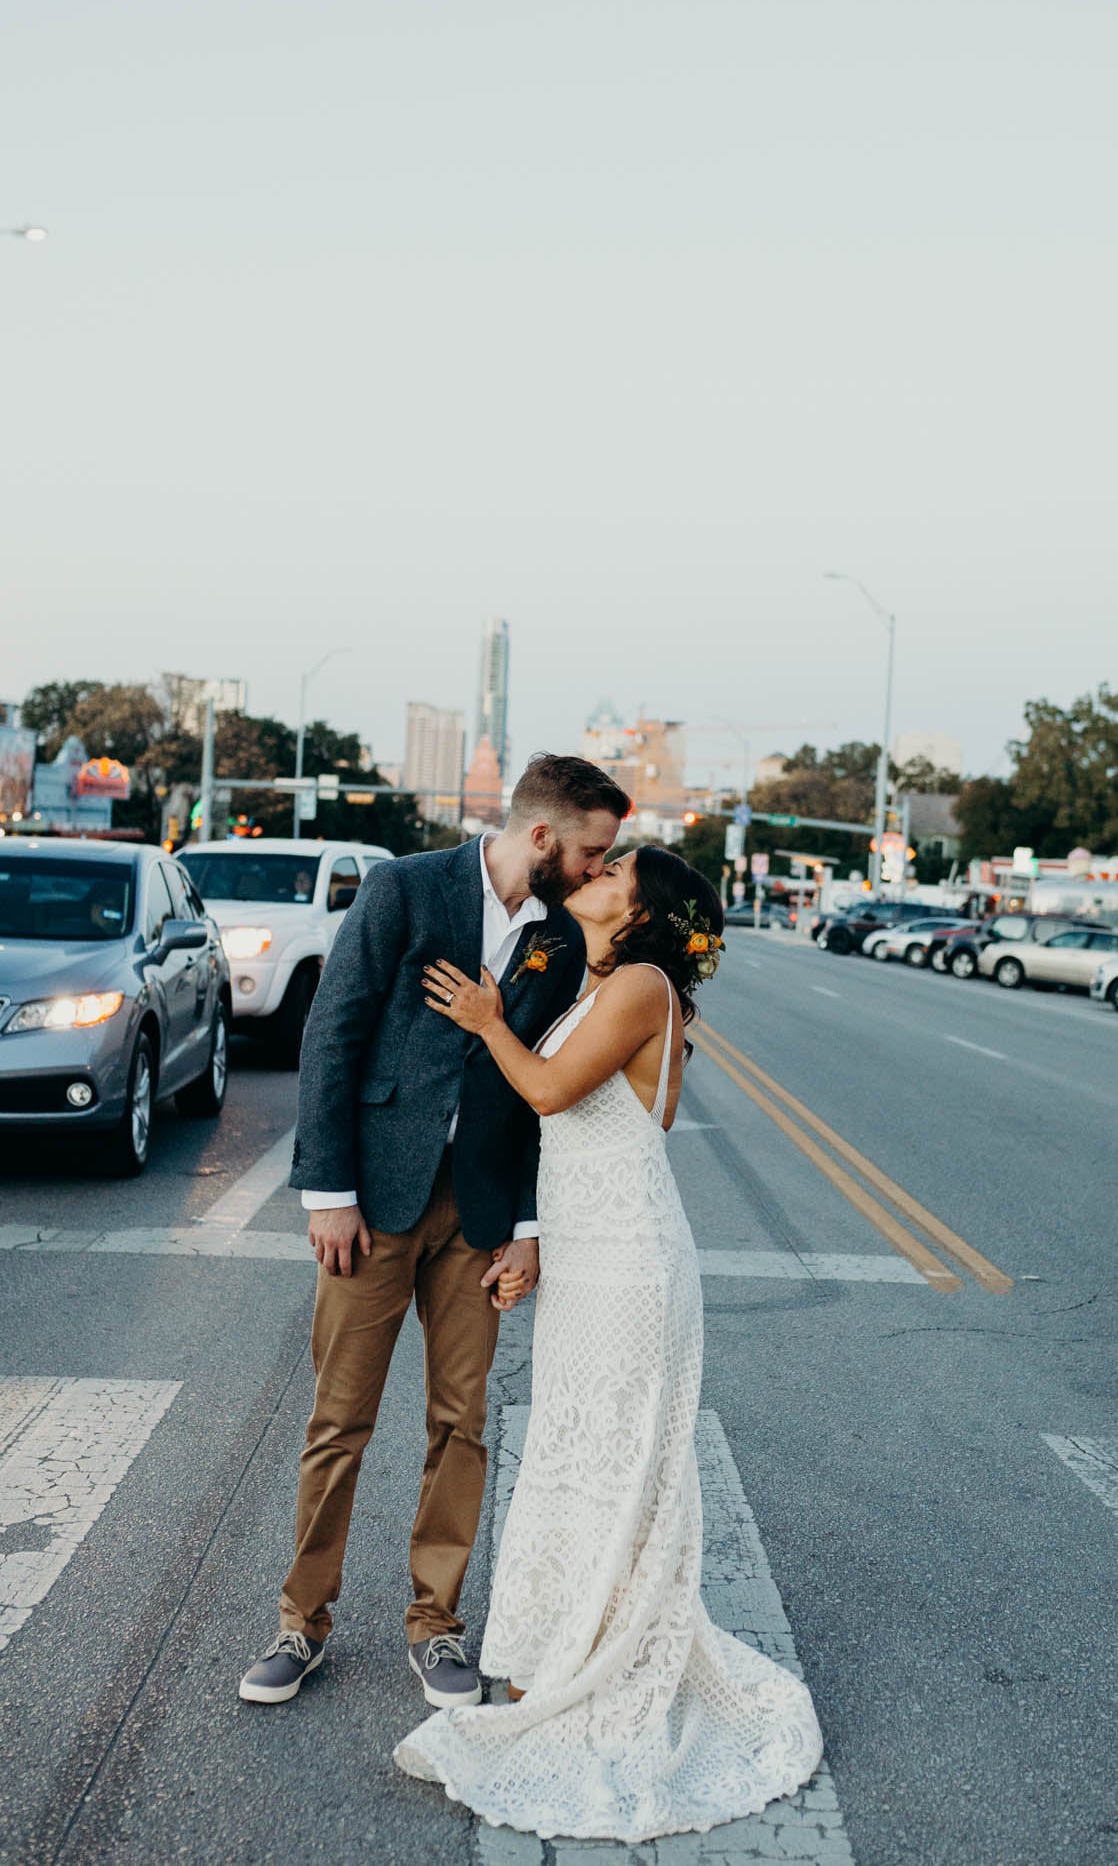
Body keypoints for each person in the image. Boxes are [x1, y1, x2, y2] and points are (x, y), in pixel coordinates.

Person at [394, 845, 823, 1842]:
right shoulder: (608, 980)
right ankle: (561, 1645)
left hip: (629, 1265)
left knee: (609, 1456)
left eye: (617, 865)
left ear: (642, 909)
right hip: (594, 1252)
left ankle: (596, 1655)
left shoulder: (637, 983)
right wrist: (537, 1238)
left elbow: (545, 1095)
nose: (597, 867)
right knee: (578, 1450)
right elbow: (593, 1124)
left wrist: (489, 1021)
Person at [238, 753, 630, 1710]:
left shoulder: (562, 943)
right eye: (590, 851)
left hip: (480, 1210)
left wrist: (526, 1226)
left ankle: (437, 1624)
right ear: (542, 837)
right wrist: (326, 1188)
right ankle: (302, 1619)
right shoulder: (404, 890)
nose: (593, 869)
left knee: (463, 1422)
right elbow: (333, 1031)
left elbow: (544, 1098)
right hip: (371, 1200)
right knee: (340, 1420)